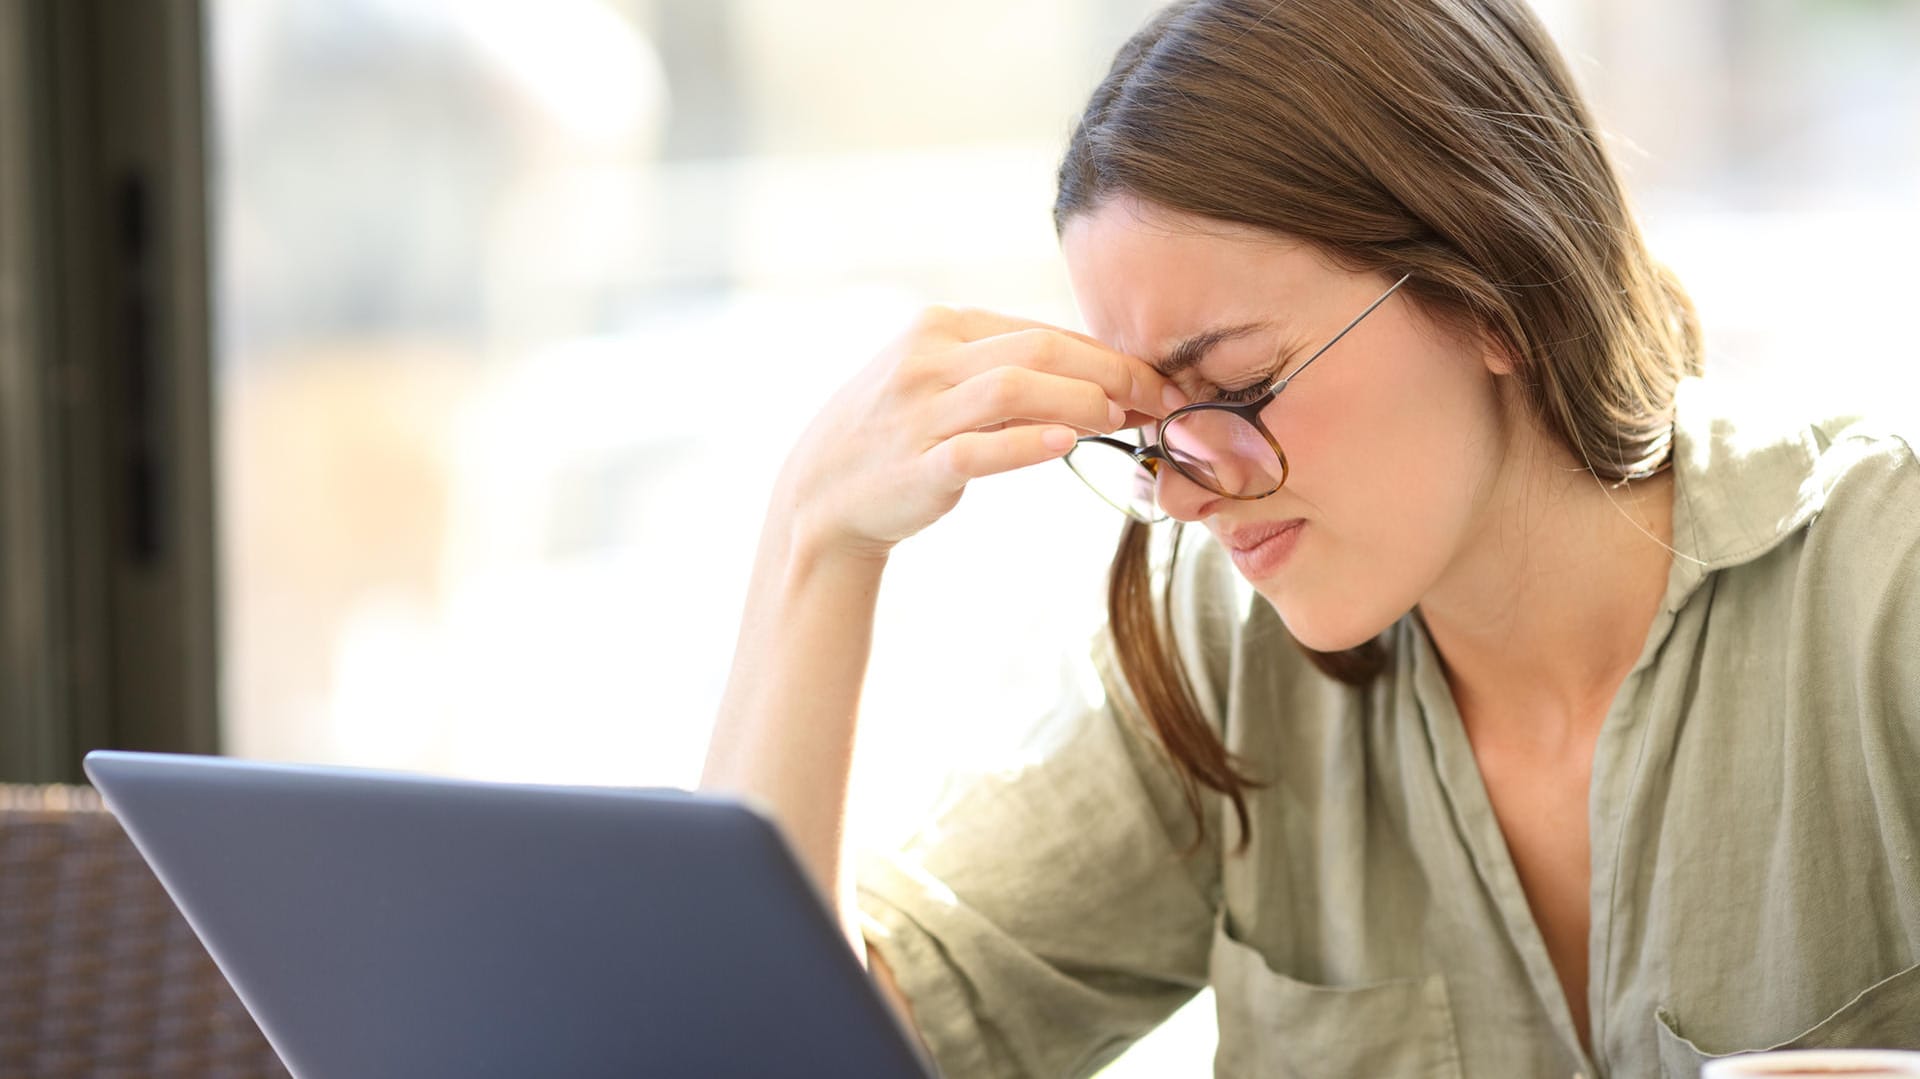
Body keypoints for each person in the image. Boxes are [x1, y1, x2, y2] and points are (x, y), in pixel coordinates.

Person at [700, 0, 1920, 1075]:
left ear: (1494, 290)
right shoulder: (1217, 650)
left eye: (1234, 386)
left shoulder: (1885, 586)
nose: (1185, 493)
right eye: (1149, 427)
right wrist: (817, 543)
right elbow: (772, 1050)